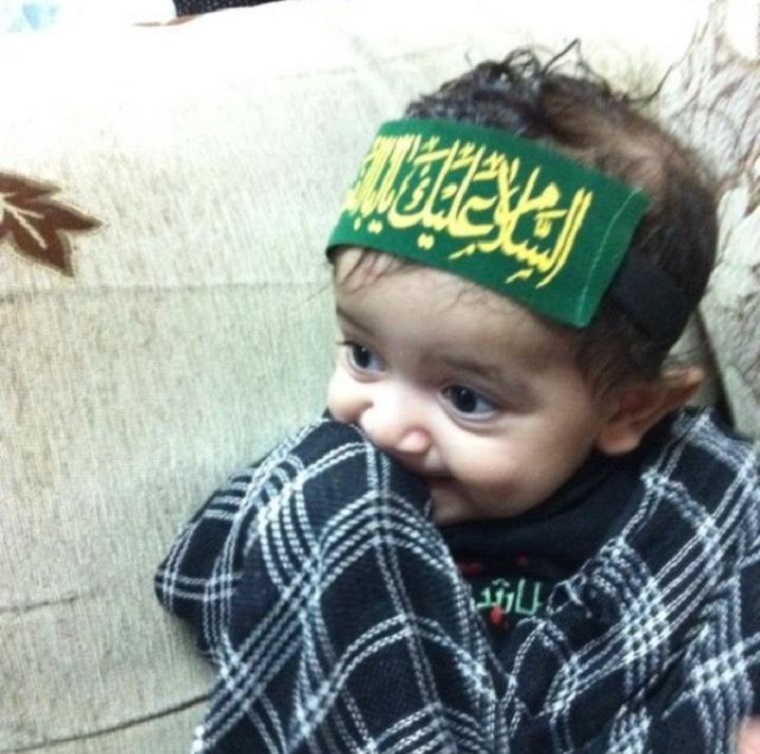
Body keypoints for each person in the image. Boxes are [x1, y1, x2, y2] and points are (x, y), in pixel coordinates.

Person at [155, 45, 760, 753]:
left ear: (628, 410)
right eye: (364, 356)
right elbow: (210, 569)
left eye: (467, 398)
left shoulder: (704, 507)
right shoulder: (341, 487)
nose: (384, 424)